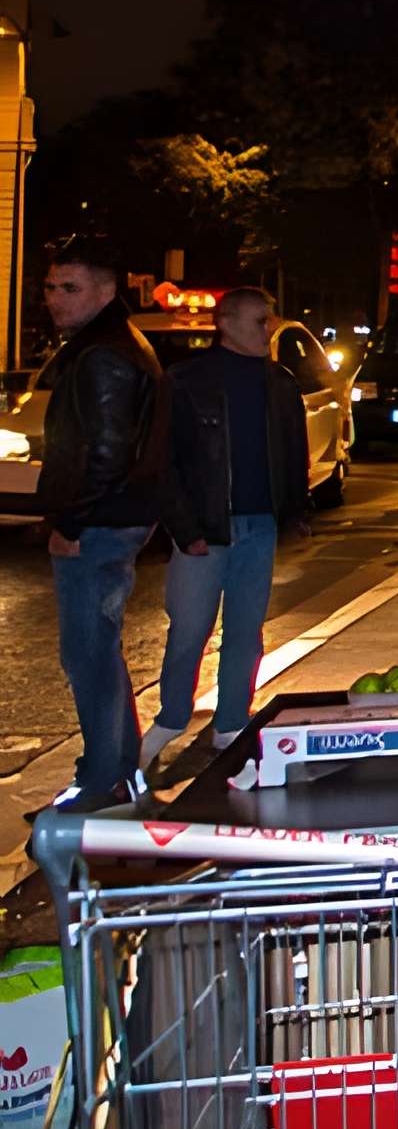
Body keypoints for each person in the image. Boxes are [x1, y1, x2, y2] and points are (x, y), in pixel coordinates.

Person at [27, 239, 172, 807]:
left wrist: (72, 520)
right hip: (115, 517)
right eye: (51, 287)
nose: (56, 299)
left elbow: (107, 453)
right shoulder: (107, 345)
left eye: (71, 288)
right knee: (97, 647)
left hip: (101, 521)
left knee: (87, 650)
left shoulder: (103, 354)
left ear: (106, 291)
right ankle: (114, 770)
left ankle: (102, 780)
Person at [149, 286, 311, 770]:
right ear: (226, 322)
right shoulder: (186, 381)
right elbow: (163, 461)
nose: (269, 329)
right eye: (260, 321)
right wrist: (184, 526)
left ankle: (231, 722)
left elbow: (292, 451)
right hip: (206, 528)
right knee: (190, 627)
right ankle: (172, 717)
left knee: (246, 629)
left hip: (258, 524)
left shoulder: (279, 383)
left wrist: (294, 508)